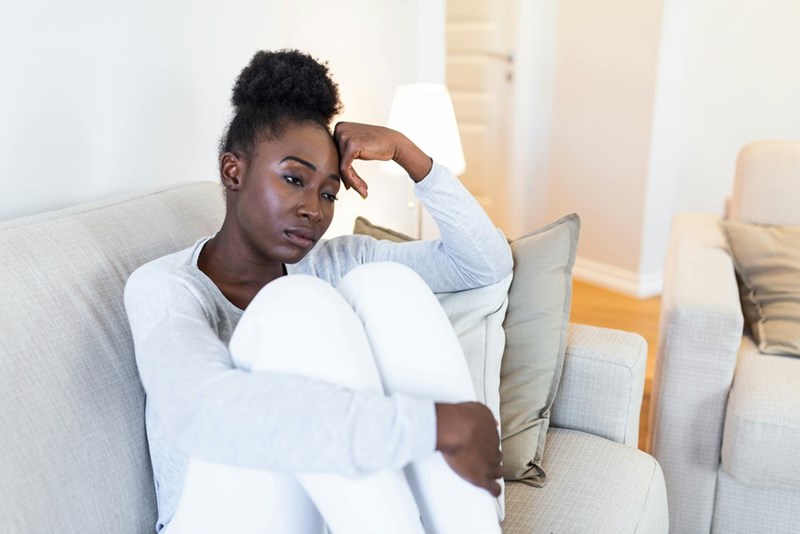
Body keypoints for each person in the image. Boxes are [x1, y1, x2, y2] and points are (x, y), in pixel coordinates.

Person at [124, 49, 513, 534]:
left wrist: (407, 153)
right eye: (293, 179)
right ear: (233, 172)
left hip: (332, 516)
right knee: (294, 303)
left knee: (384, 284)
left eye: (328, 193)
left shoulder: (335, 264)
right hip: (214, 519)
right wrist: (435, 425)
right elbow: (201, 415)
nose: (314, 209)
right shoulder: (164, 286)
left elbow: (483, 267)